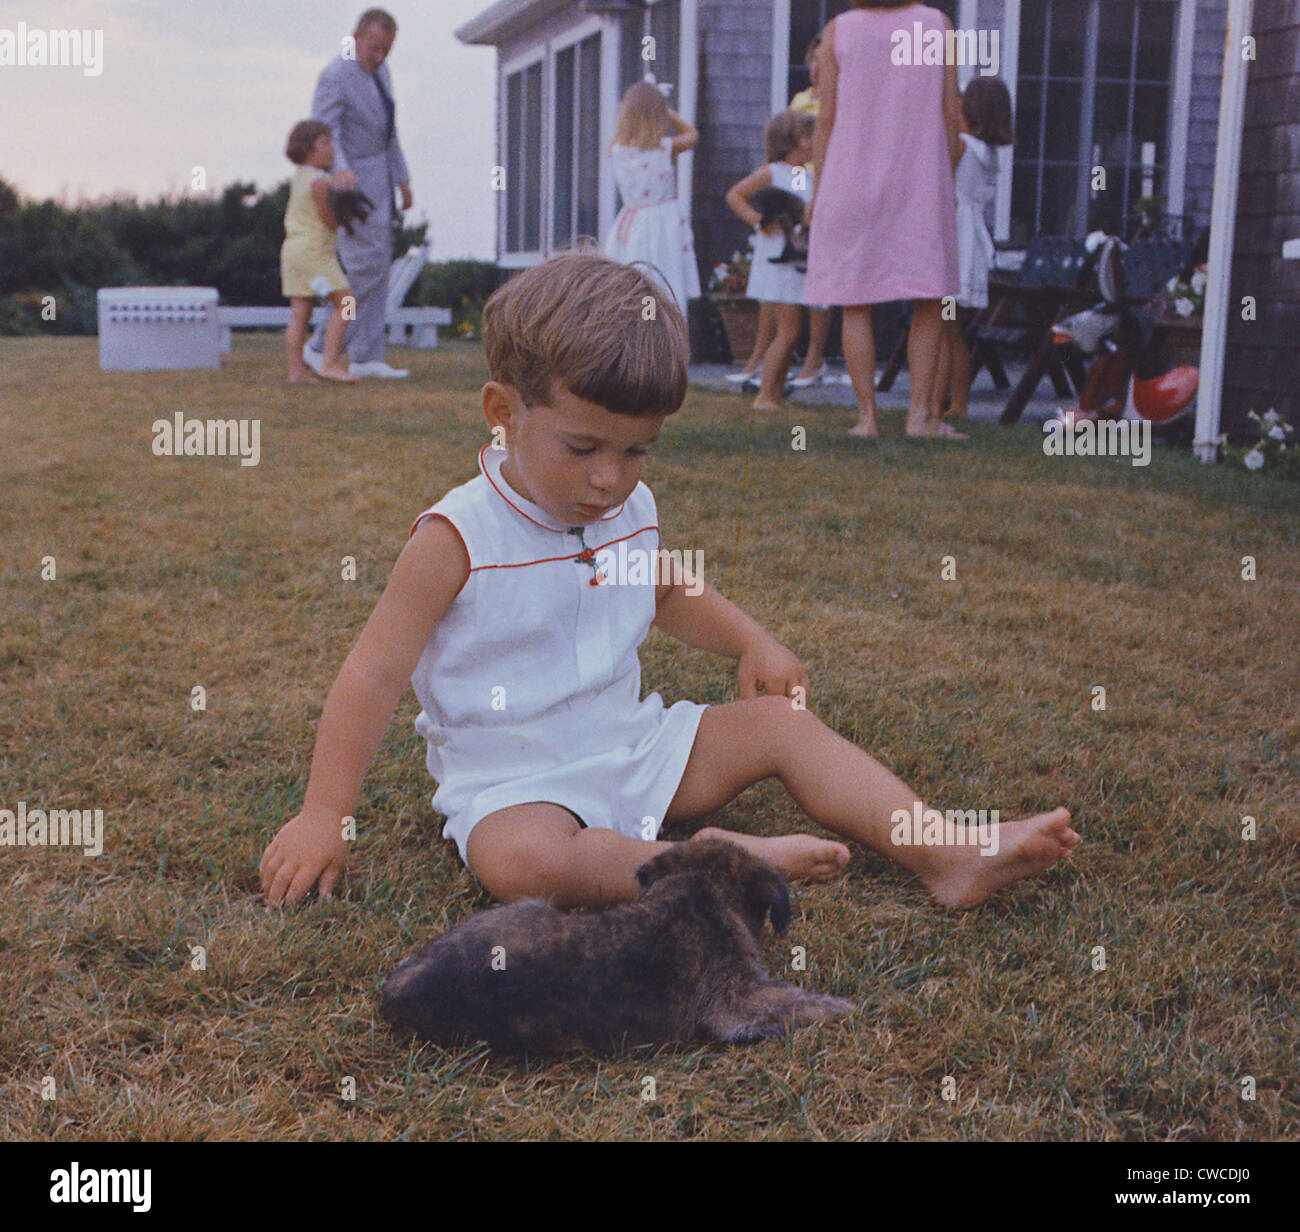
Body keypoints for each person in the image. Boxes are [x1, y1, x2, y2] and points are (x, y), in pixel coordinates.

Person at [259, 248, 1079, 911]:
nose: (611, 477)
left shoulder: (628, 505)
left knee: (780, 726)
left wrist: (752, 639)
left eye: (637, 449)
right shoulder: (456, 537)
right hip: (517, 783)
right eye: (584, 448)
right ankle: (716, 862)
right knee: (525, 864)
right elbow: (371, 674)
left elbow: (663, 586)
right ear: (502, 411)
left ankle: (945, 852)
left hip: (637, 746)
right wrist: (323, 814)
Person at [804, 1, 964, 439]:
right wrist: (944, 174)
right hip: (919, 183)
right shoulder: (936, 24)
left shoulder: (840, 29)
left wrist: (817, 192)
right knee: (929, 301)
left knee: (855, 302)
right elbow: (951, 113)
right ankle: (920, 418)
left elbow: (827, 119)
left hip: (849, 184)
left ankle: (867, 418)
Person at [304, 7, 412, 380]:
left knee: (380, 267)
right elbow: (323, 131)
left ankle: (367, 355)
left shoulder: (381, 74)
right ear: (356, 37)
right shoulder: (335, 75)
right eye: (374, 48)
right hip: (351, 190)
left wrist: (403, 179)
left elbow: (390, 134)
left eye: (387, 49)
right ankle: (319, 347)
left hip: (382, 182)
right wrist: (340, 170)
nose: (379, 57)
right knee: (361, 270)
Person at [724, 111, 815, 412]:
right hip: (778, 261)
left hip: (796, 259)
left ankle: (775, 393)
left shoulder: (807, 175)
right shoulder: (772, 173)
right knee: (788, 332)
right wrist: (759, 220)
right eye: (811, 137)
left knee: (791, 331)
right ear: (799, 141)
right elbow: (735, 195)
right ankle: (764, 395)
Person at [936, 77, 1015, 419]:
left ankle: (953, 404)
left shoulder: (963, 146)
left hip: (955, 244)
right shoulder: (989, 153)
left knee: (946, 329)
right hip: (970, 249)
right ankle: (946, 401)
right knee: (949, 329)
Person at [604, 81, 701, 321]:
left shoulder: (616, 150)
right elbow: (692, 135)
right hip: (663, 224)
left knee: (635, 282)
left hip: (632, 222)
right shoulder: (665, 148)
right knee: (665, 280)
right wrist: (666, 111)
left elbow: (618, 138)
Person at [281, 121, 356, 384]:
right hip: (315, 252)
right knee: (346, 303)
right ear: (309, 148)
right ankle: (330, 363)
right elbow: (330, 221)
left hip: (293, 251)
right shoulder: (320, 182)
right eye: (325, 142)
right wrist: (345, 199)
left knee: (300, 312)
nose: (332, 148)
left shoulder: (300, 176)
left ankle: (296, 372)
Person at [787, 34, 834, 389]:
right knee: (793, 274)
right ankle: (786, 351)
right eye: (813, 60)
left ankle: (816, 356)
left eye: (823, 60)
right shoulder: (801, 100)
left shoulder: (843, 100)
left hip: (828, 191)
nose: (817, 68)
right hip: (796, 189)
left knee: (820, 276)